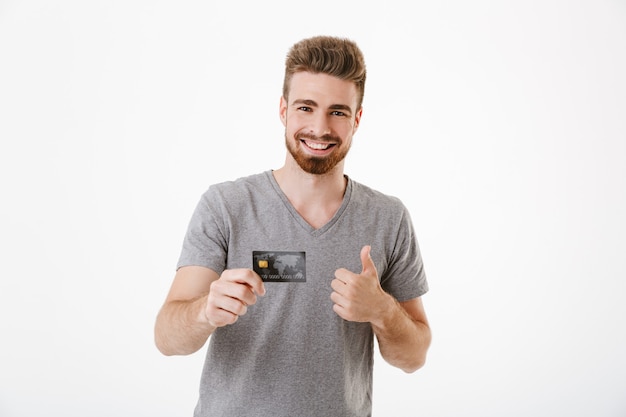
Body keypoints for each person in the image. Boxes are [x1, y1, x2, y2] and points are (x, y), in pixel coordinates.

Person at [154, 35, 431, 417]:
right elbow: (166, 338)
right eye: (306, 107)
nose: (320, 128)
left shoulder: (388, 218)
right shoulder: (226, 206)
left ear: (358, 119)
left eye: (338, 112)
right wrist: (205, 310)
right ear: (283, 110)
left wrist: (382, 310)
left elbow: (414, 357)